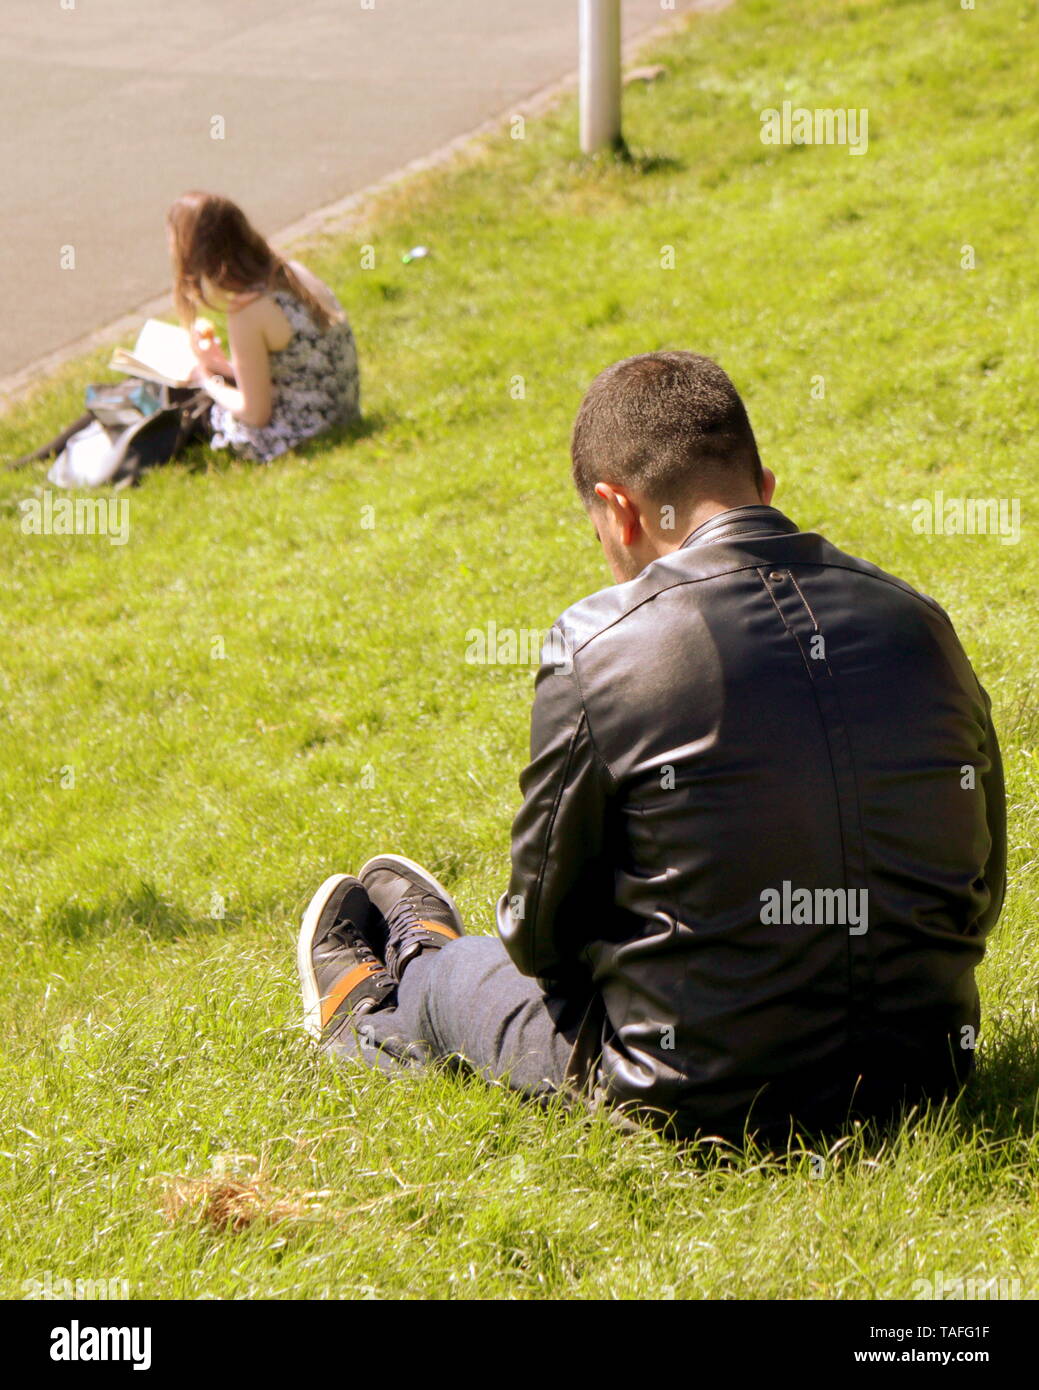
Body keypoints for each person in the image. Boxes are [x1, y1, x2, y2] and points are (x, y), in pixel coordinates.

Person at [295, 351, 1006, 1144]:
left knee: (463, 978)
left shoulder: (600, 643)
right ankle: (422, 955)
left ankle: (385, 994)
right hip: (929, 1070)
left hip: (694, 1096)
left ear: (617, 509)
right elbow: (983, 886)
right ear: (764, 488)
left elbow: (540, 939)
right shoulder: (920, 620)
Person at [167, 191, 361, 462]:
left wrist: (205, 378)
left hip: (300, 435)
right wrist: (222, 367)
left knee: (187, 402)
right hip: (341, 413)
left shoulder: (248, 311)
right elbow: (299, 368)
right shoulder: (292, 273)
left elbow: (255, 414)